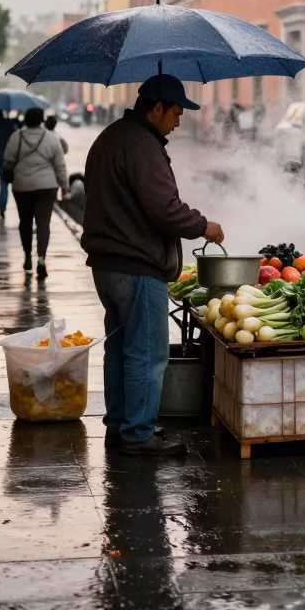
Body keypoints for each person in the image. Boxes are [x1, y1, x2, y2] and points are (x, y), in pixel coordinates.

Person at [82, 74, 224, 458]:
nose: (178, 122)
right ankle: (138, 434)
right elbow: (163, 208)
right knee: (146, 352)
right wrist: (203, 225)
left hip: (108, 266)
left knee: (121, 348)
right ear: (157, 108)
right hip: (137, 265)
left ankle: (120, 425)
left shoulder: (112, 136)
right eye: (176, 112)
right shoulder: (141, 145)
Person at [3, 107, 68, 279]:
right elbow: (60, 164)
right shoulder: (51, 137)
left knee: (25, 221)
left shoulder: (16, 137)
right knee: (43, 222)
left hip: (22, 186)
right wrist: (64, 185)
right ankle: (41, 259)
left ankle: (27, 256)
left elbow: (7, 161)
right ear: (41, 120)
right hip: (47, 187)